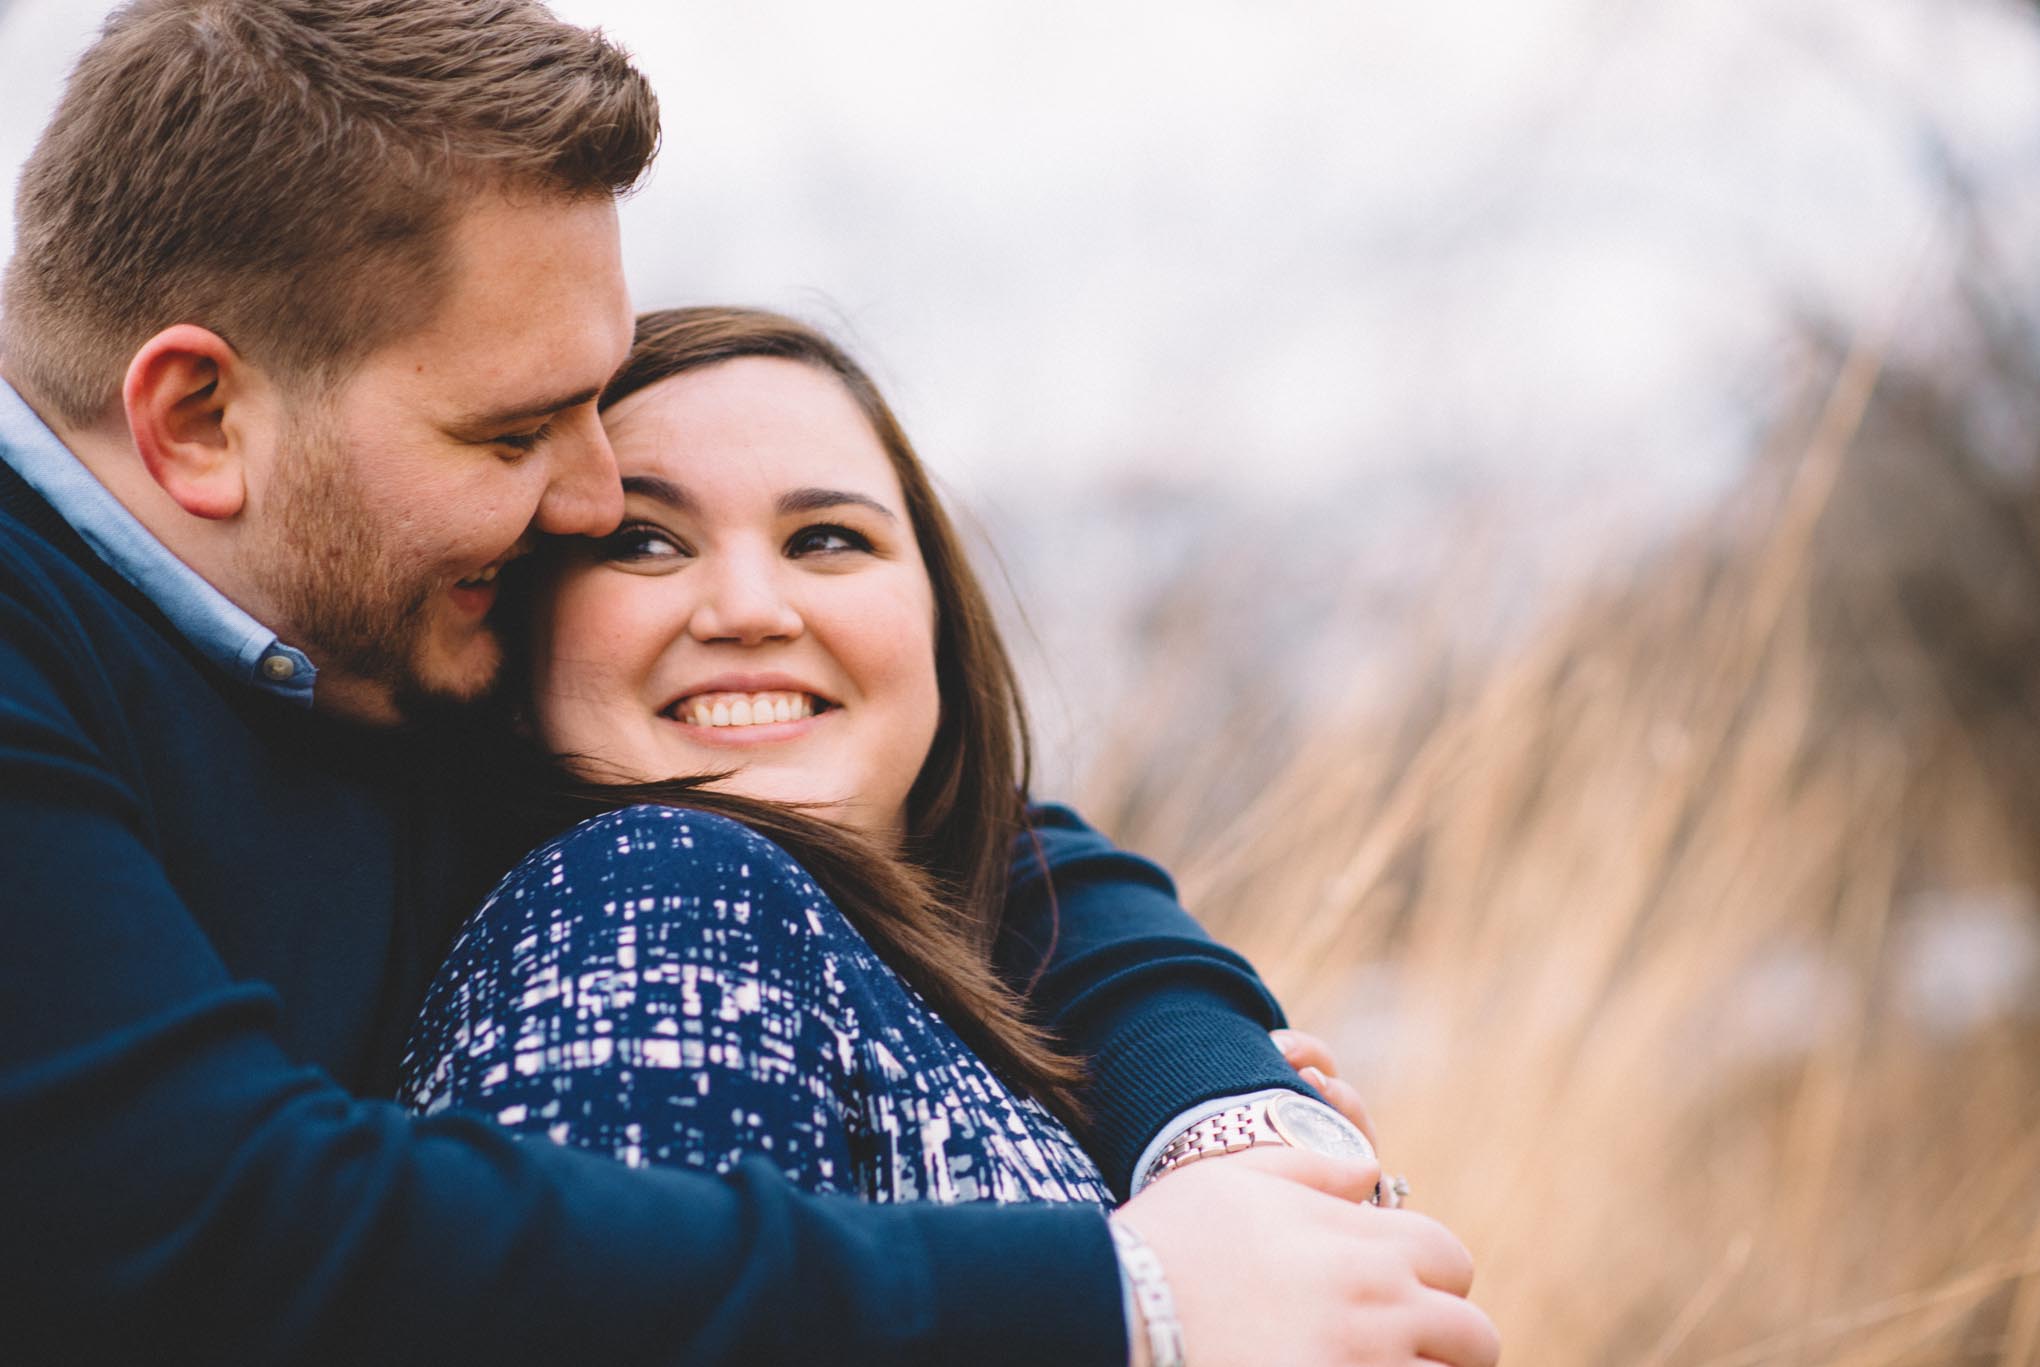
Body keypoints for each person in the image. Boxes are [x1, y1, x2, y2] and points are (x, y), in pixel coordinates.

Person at [0, 2, 1497, 1364]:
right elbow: (204, 1223)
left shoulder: (366, 646)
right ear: (196, 417)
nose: (586, 499)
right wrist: (1136, 1295)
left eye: (592, 408)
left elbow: (991, 842)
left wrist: (1217, 1109)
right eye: (515, 433)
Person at [402, 306, 1499, 1364]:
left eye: (825, 538)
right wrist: (1156, 1307)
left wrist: (1218, 1125)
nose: (749, 606)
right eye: (644, 540)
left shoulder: (941, 956)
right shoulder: (653, 887)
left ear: (936, 618)